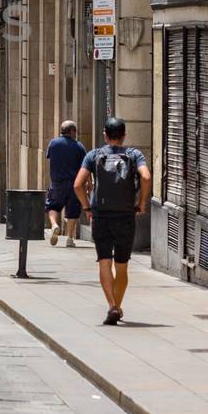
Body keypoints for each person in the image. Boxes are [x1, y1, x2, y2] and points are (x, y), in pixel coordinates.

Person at [73, 117, 152, 326]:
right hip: (125, 215)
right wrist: (142, 203)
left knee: (104, 261)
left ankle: (112, 306)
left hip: (101, 215)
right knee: (122, 266)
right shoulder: (134, 155)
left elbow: (77, 185)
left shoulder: (93, 155)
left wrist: (87, 207)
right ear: (124, 135)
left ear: (105, 135)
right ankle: (117, 304)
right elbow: (145, 177)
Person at [44, 120, 88, 248]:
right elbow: (85, 167)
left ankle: (54, 225)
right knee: (72, 212)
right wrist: (89, 182)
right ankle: (70, 238)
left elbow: (50, 158)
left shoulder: (53, 143)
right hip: (75, 184)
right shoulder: (79, 147)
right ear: (72, 131)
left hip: (57, 183)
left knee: (52, 206)